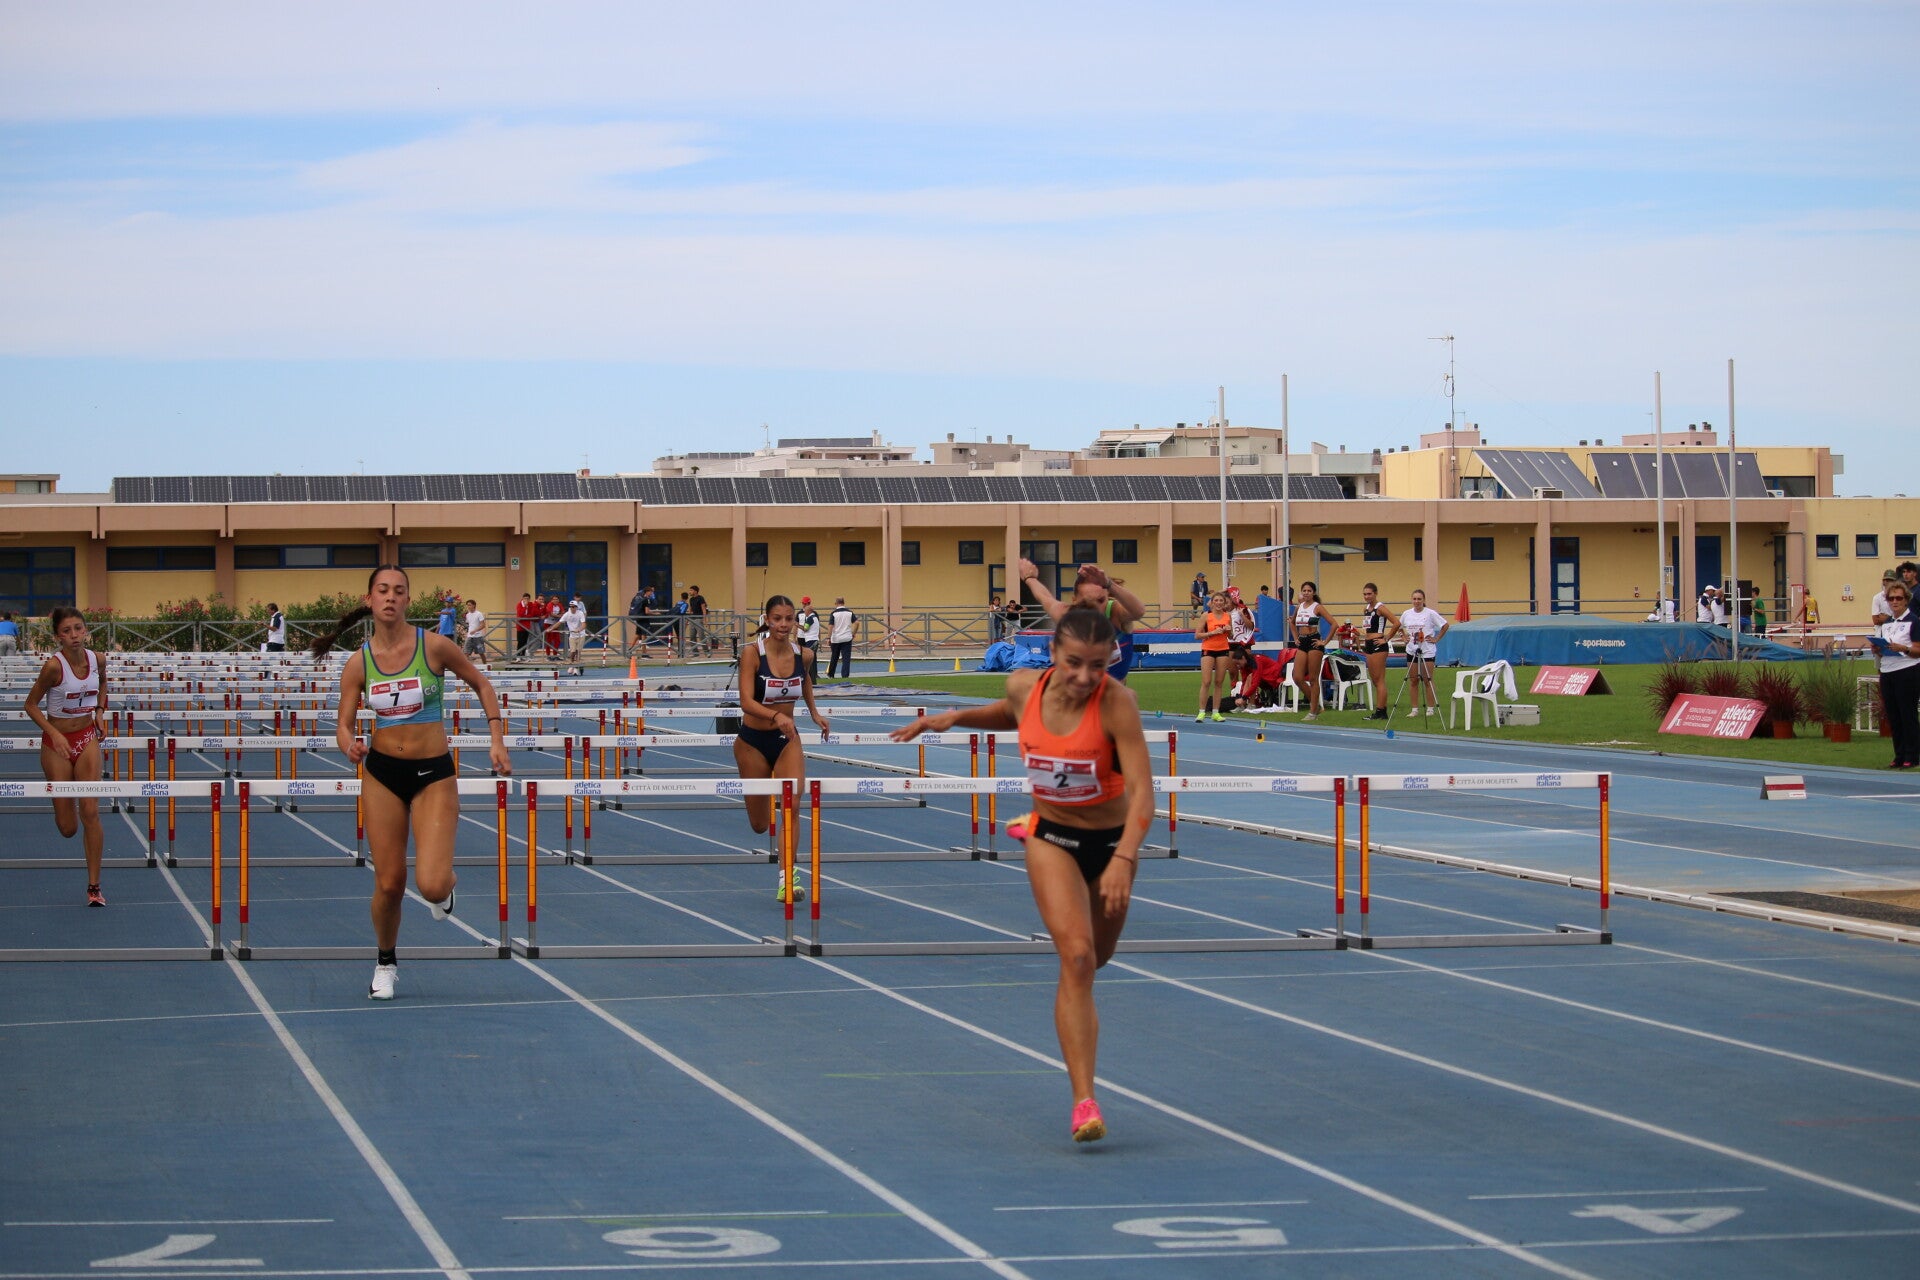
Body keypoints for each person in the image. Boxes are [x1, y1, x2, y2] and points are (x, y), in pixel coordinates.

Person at [890, 605, 1152, 1145]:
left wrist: (1125, 857)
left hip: (1111, 842)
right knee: (1077, 959)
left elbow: (1144, 793)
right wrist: (952, 718)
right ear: (1052, 654)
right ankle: (1084, 1100)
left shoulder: (1117, 704)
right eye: (1074, 663)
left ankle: (1067, 852)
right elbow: (1010, 712)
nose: (1085, 677)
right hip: (1052, 836)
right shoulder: (1023, 686)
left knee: (1099, 958)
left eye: (1097, 665)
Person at [314, 565, 510, 1000]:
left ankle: (445, 888)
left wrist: (496, 738)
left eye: (398, 591)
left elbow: (481, 683)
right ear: (369, 600)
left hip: (432, 773)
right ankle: (385, 962)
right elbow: (343, 724)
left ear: (407, 600)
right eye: (383, 590)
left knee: (432, 885)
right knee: (389, 883)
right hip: (383, 773)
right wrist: (348, 745)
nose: (390, 597)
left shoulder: (434, 646)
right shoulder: (359, 663)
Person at [734, 595, 831, 901]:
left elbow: (805, 682)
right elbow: (745, 701)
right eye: (777, 619)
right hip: (752, 742)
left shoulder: (804, 655)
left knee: (793, 804)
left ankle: (787, 878)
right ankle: (769, 838)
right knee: (760, 825)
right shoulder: (752, 654)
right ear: (767, 619)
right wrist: (775, 715)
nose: (784, 624)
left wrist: (814, 713)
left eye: (789, 619)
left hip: (787, 740)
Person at [24, 607, 109, 906]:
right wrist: (55, 733)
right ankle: (64, 801)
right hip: (56, 743)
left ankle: (94, 887)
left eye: (78, 628)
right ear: (58, 636)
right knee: (68, 828)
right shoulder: (53, 667)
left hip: (86, 738)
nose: (74, 635)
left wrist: (99, 712)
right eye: (66, 631)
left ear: (86, 630)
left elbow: (103, 684)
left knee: (91, 811)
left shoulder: (98, 659)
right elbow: (30, 705)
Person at [1019, 558, 1146, 682]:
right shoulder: (1067, 614)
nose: (1095, 608)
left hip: (1112, 690)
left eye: (1101, 600)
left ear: (1108, 597)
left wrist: (1109, 584)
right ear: (1074, 601)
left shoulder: (1115, 613)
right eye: (1086, 602)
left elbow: (1139, 611)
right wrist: (1029, 578)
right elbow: (1044, 597)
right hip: (1075, 690)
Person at [1873, 582, 1920, 769]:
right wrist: (1878, 649)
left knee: (1907, 714)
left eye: (1899, 598)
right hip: (1888, 671)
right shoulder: (1887, 623)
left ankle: (1912, 755)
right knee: (1893, 715)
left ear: (1906, 600)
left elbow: (1917, 650)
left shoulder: (1914, 621)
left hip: (1907, 670)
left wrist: (1904, 648)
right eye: (1891, 598)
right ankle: (1899, 754)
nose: (1895, 601)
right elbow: (1885, 648)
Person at [1289, 581, 1340, 722]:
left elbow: (1334, 624)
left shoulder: (1317, 607)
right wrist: (1295, 638)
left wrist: (1324, 642)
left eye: (1309, 591)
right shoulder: (1299, 607)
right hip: (1302, 642)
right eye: (1304, 590)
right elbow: (1292, 623)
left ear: (1314, 593)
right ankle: (1316, 704)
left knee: (1313, 678)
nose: (1306, 593)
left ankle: (1313, 712)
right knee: (1297, 677)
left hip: (1314, 641)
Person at [1399, 588, 1449, 718]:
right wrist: (1403, 637)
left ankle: (1430, 708)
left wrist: (1436, 639)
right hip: (1412, 649)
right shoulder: (1406, 614)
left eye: (1419, 599)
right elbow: (1398, 626)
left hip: (1427, 650)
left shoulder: (1430, 613)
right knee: (1413, 680)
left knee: (1427, 679)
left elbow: (1445, 625)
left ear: (1423, 600)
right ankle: (1414, 709)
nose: (1416, 601)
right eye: (1414, 599)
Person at [1357, 582, 1399, 720]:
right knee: (1374, 679)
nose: (1367, 596)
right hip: (1369, 644)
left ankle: (1381, 711)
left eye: (1369, 594)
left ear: (1375, 593)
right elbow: (1368, 627)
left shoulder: (1380, 608)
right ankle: (1380, 710)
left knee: (1379, 679)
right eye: (1364, 594)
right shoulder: (1366, 609)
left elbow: (1396, 623)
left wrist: (1386, 638)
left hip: (1378, 644)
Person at [1195, 590, 1233, 722]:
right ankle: (1201, 712)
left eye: (1221, 601)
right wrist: (1212, 633)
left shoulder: (1227, 616)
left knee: (1219, 682)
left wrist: (1228, 631)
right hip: (1208, 649)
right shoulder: (1206, 616)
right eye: (1216, 600)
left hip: (1223, 649)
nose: (1218, 603)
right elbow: (1197, 635)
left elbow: (1231, 636)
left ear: (1224, 603)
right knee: (1206, 681)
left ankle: (1216, 712)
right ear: (1211, 603)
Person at [824, 597, 856, 680]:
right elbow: (857, 623)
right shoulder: (850, 612)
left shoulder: (833, 613)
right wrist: (853, 633)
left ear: (836, 603)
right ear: (843, 603)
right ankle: (845, 676)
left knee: (834, 657)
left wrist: (828, 638)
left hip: (836, 639)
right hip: (847, 638)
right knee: (846, 659)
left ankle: (831, 674)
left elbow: (830, 626)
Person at [796, 596, 821, 683]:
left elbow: (805, 629)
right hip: (814, 640)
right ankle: (812, 680)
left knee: (808, 660)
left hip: (811, 641)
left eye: (806, 611)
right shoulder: (815, 617)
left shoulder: (810, 618)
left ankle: (811, 680)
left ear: (809, 611)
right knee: (811, 661)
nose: (805, 613)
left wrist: (796, 625)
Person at [562, 595, 587, 669]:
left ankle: (576, 665)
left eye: (573, 607)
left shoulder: (580, 613)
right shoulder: (567, 614)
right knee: (572, 651)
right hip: (572, 635)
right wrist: (551, 628)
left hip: (580, 634)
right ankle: (571, 663)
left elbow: (584, 624)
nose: (572, 608)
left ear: (576, 607)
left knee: (578, 651)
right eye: (571, 607)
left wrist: (579, 629)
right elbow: (560, 622)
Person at [514, 592, 539, 658]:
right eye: (525, 598)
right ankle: (518, 656)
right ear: (522, 598)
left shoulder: (530, 604)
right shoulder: (519, 604)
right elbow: (520, 615)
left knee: (525, 642)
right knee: (520, 641)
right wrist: (524, 607)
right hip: (520, 626)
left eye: (527, 598)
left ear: (529, 599)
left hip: (527, 626)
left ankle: (523, 655)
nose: (526, 600)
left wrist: (526, 616)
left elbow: (531, 614)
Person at [687, 584, 711, 652]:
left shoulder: (700, 598)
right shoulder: (691, 599)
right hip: (692, 619)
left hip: (699, 619)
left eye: (691, 590)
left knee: (701, 636)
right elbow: (690, 610)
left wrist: (705, 620)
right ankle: (695, 652)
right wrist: (688, 620)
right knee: (692, 636)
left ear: (695, 591)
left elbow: (704, 609)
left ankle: (706, 651)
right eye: (690, 590)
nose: (689, 592)